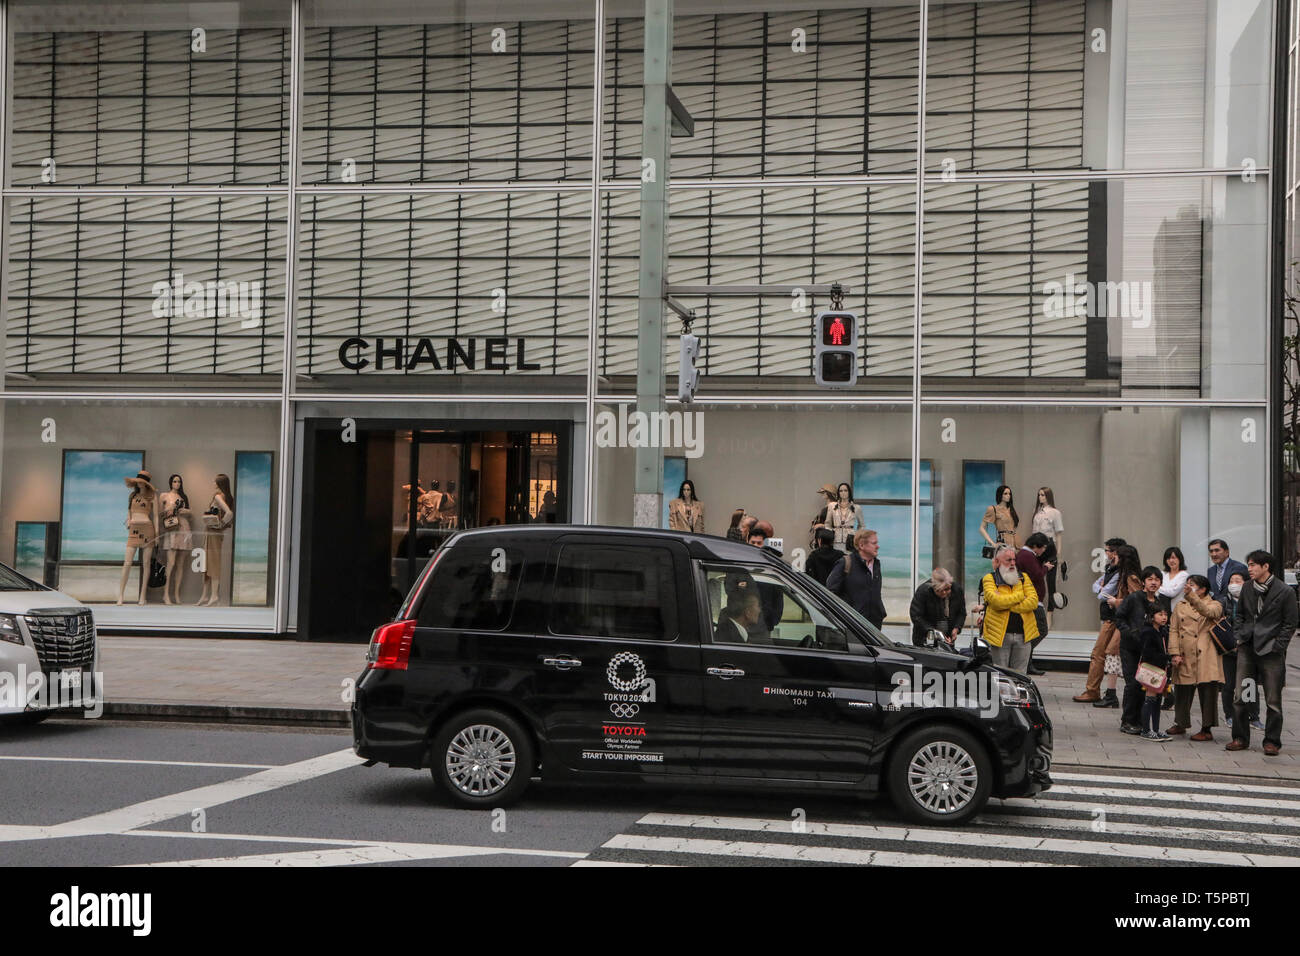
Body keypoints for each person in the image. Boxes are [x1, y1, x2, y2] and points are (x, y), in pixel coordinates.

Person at [1226, 549, 1298, 756]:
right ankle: (1240, 737)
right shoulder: (1247, 588)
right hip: (1247, 649)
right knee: (1243, 695)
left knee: (1272, 699)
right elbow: (1239, 615)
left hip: (1271, 652)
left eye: (1252, 565)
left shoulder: (1285, 591)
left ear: (1265, 567)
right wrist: (1239, 635)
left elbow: (1290, 623)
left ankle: (1272, 741)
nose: (1249, 569)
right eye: (1248, 565)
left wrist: (1279, 645)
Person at [1168, 574, 1224, 740]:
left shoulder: (1215, 604)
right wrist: (1175, 652)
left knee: (1208, 691)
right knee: (1182, 689)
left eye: (1192, 585)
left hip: (1206, 652)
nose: (1188, 587)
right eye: (1188, 584)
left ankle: (1206, 728)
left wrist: (1191, 597)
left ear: (1203, 589)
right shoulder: (1180, 605)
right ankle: (1180, 723)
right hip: (1185, 652)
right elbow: (1174, 630)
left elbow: (1207, 612)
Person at [1073, 537, 1127, 703]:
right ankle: (1100, 691)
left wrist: (1102, 588)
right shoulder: (1110, 568)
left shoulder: (1120, 572)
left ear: (1115, 552)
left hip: (1112, 618)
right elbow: (1096, 586)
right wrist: (1101, 587)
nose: (1106, 553)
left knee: (1098, 654)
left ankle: (1092, 691)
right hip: (1108, 617)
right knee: (1104, 654)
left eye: (1108, 550)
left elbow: (1101, 594)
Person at [1115, 565, 1162, 734]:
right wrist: (1130, 633)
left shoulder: (1159, 602)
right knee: (1132, 684)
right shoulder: (1134, 598)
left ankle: (1140, 720)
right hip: (1130, 647)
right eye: (1150, 579)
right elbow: (1119, 617)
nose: (1153, 583)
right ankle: (1127, 720)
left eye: (1157, 580)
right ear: (1143, 582)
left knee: (1145, 684)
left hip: (1149, 650)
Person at [979, 545, 1039, 673]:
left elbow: (1033, 601)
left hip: (1024, 635)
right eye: (1008, 560)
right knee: (1001, 675)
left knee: (1021, 675)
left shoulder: (1023, 578)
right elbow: (996, 602)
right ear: (997, 562)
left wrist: (1007, 604)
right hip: (999, 636)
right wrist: (1021, 596)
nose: (1012, 563)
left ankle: (1018, 694)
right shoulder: (989, 579)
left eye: (1014, 559)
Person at [1218, 570, 1258, 731]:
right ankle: (1229, 715)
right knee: (1228, 685)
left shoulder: (1252, 600)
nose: (1234, 584)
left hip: (1247, 647)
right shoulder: (1222, 602)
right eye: (1232, 580)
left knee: (1249, 684)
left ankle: (1253, 716)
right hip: (1228, 649)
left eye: (1238, 580)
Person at [826, 528, 887, 629]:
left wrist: (880, 613)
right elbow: (830, 593)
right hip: (853, 624)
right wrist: (846, 614)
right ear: (862, 545)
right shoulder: (845, 563)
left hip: (875, 624)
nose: (878, 546)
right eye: (874, 543)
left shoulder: (876, 564)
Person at [1017, 533, 1053, 675]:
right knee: (1041, 629)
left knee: (1033, 632)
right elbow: (1036, 575)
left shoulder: (1027, 555)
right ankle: (1024, 657)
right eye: (1043, 547)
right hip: (1032, 601)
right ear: (1036, 546)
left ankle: (1027, 661)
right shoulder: (1027, 555)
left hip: (1033, 600)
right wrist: (1045, 568)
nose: (1043, 550)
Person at [1137, 604, 1172, 742]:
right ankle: (1146, 730)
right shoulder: (1148, 632)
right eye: (1160, 614)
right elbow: (1149, 653)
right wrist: (1167, 658)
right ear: (1152, 617)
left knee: (1157, 699)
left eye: (1165, 615)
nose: (1164, 618)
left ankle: (1156, 729)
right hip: (1151, 669)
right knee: (1150, 698)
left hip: (1161, 670)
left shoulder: (1162, 631)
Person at [1031, 487, 1065, 621]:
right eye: (1039, 495)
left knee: (1051, 582)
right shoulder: (1036, 513)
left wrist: (1059, 552)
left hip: (1050, 546)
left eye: (1043, 495)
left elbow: (1059, 533)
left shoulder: (1055, 513)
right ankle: (1036, 609)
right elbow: (1033, 532)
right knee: (1035, 578)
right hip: (1037, 547)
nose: (1041, 497)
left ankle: (1050, 614)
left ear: (1048, 496)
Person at [909, 568, 966, 647]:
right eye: (939, 590)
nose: (944, 593)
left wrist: (956, 628)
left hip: (948, 635)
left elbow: (961, 613)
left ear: (951, 585)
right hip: (924, 637)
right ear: (933, 587)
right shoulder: (923, 591)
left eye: (947, 589)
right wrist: (932, 631)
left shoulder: (957, 590)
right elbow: (916, 616)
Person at [1206, 538, 1248, 607]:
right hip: (1217, 611)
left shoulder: (1238, 567)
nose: (1214, 554)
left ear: (1227, 552)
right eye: (1211, 551)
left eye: (1217, 550)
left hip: (1234, 610)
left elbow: (1245, 592)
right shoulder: (1210, 571)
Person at [979, 485, 1021, 551]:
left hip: (1016, 543)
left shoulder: (1011, 510)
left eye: (1009, 494)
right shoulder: (993, 509)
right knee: (1004, 560)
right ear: (1000, 494)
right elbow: (981, 528)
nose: (1008, 495)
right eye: (1005, 493)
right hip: (1004, 543)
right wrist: (992, 543)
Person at [1158, 546, 1189, 613]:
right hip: (1162, 611)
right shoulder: (1163, 574)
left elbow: (1172, 593)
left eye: (1173, 558)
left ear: (1179, 559)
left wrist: (1158, 587)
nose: (1171, 561)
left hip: (1178, 612)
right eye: (1168, 558)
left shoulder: (1183, 575)